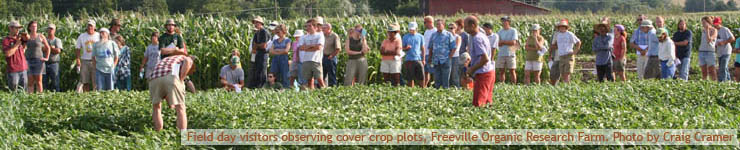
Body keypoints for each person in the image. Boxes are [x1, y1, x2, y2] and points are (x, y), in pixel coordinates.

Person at [149, 55, 195, 131]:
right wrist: (181, 79)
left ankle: (158, 133)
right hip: (170, 76)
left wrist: (171, 105)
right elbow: (187, 61)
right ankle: (182, 135)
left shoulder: (166, 59)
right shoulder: (184, 57)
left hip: (153, 79)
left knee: (156, 107)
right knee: (180, 108)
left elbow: (166, 90)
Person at [463, 15, 495, 107]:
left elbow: (485, 59)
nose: (464, 28)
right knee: (487, 101)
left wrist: (472, 69)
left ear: (472, 25)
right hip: (488, 71)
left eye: (466, 26)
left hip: (484, 73)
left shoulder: (477, 38)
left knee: (478, 103)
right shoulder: (481, 35)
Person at [298, 18, 326, 89]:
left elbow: (319, 47)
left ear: (315, 27)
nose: (307, 28)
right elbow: (301, 48)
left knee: (320, 80)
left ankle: (325, 92)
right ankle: (311, 94)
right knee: (309, 80)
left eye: (309, 26)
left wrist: (307, 48)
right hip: (306, 60)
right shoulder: (303, 37)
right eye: (306, 26)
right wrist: (312, 46)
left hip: (316, 60)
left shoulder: (320, 35)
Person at [428, 19, 457, 88]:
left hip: (445, 60)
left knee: (445, 80)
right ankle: (438, 94)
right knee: (437, 80)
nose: (438, 26)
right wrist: (430, 58)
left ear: (443, 25)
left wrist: (449, 57)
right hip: (436, 60)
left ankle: (445, 94)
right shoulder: (433, 35)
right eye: (437, 24)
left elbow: (454, 47)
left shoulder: (448, 35)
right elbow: (430, 47)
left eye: (439, 24)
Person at [551, 19, 581, 83]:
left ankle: (567, 87)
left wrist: (574, 52)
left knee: (567, 73)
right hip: (561, 56)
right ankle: (566, 87)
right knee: (563, 74)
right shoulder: (558, 35)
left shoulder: (570, 34)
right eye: (560, 26)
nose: (561, 28)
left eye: (563, 26)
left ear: (566, 27)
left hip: (568, 55)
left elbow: (578, 42)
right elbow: (555, 45)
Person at [24, 21, 51, 93]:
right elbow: (23, 47)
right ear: (29, 27)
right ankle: (30, 97)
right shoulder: (27, 36)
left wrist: (47, 58)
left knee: (39, 81)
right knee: (30, 81)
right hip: (28, 60)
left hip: (38, 60)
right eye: (32, 26)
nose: (34, 28)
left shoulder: (40, 36)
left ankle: (40, 97)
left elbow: (48, 47)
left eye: (35, 26)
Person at [75, 20, 100, 92]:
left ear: (94, 27)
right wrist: (78, 59)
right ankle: (86, 96)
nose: (89, 27)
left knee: (95, 81)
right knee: (85, 81)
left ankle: (95, 95)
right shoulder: (82, 36)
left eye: (91, 25)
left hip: (96, 61)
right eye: (88, 25)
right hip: (85, 61)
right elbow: (78, 48)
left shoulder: (98, 35)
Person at [2, 20, 28, 91]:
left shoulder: (19, 38)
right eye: (16, 28)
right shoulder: (6, 40)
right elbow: (8, 54)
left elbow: (24, 50)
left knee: (24, 92)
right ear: (10, 28)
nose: (18, 30)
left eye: (19, 28)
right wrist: (16, 44)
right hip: (13, 70)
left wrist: (25, 41)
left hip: (23, 69)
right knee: (14, 92)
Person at [495, 16, 519, 84]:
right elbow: (498, 43)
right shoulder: (499, 31)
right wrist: (507, 42)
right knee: (501, 71)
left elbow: (513, 42)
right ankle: (502, 85)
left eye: (505, 21)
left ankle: (513, 85)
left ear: (508, 22)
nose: (503, 22)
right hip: (501, 53)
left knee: (512, 70)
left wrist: (503, 42)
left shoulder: (513, 30)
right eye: (502, 21)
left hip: (510, 53)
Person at [248, 16, 270, 88]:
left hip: (263, 55)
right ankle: (258, 87)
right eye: (254, 22)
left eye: (257, 22)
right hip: (258, 54)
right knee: (257, 71)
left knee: (262, 72)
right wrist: (258, 46)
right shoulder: (256, 33)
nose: (255, 24)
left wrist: (257, 46)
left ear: (261, 23)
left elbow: (264, 46)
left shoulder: (264, 32)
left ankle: (263, 87)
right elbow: (254, 46)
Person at [402, 22, 426, 87]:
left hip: (418, 59)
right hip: (409, 59)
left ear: (416, 28)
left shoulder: (420, 36)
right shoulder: (405, 37)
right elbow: (402, 48)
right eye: (410, 29)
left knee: (421, 77)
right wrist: (406, 48)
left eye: (413, 29)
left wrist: (423, 59)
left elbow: (423, 48)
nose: (411, 30)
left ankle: (423, 90)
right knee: (410, 78)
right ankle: (411, 91)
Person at [713, 17, 735, 82]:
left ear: (720, 23)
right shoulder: (714, 31)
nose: (716, 25)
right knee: (723, 67)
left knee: (723, 67)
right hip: (719, 52)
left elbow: (732, 38)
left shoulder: (725, 29)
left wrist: (723, 42)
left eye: (717, 23)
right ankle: (729, 81)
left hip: (726, 51)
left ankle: (722, 82)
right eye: (714, 24)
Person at [698, 16, 718, 81]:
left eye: (704, 22)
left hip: (710, 52)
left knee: (712, 70)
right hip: (702, 51)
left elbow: (709, 40)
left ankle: (714, 83)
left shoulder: (714, 30)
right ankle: (705, 83)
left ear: (708, 22)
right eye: (702, 23)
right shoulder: (703, 31)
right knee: (704, 71)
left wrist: (707, 30)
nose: (703, 24)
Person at [44, 24, 62, 92]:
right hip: (44, 63)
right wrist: (51, 48)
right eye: (49, 29)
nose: (50, 30)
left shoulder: (57, 40)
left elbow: (58, 51)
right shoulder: (44, 39)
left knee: (55, 82)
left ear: (54, 30)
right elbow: (41, 49)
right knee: (44, 81)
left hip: (54, 63)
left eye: (52, 29)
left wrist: (48, 48)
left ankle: (56, 95)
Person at [450, 19, 468, 88]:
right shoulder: (451, 35)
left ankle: (460, 87)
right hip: (454, 55)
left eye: (456, 25)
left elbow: (467, 46)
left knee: (460, 73)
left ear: (460, 26)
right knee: (454, 72)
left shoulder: (464, 35)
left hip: (461, 55)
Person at [447, 23, 463, 87]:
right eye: (449, 28)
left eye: (452, 28)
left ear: (455, 29)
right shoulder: (447, 37)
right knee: (448, 74)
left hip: (455, 57)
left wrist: (450, 55)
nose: (450, 30)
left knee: (454, 74)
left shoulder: (457, 37)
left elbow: (456, 48)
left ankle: (457, 88)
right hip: (448, 57)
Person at [422, 16, 436, 87]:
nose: (424, 24)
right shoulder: (426, 31)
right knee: (426, 72)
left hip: (432, 55)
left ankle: (435, 86)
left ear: (429, 22)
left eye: (425, 22)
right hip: (425, 54)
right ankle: (424, 86)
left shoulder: (435, 31)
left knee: (434, 72)